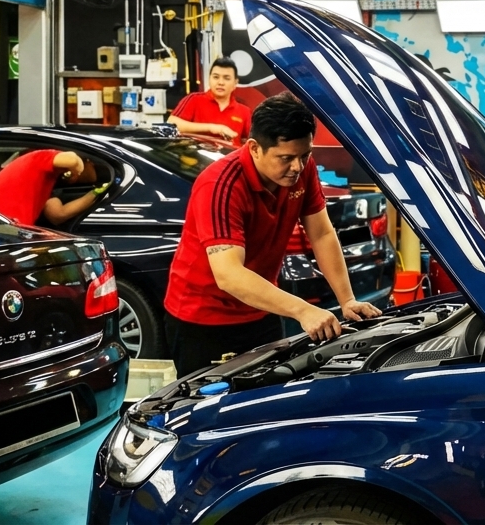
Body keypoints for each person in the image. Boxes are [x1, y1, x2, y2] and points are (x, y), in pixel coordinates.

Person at [162, 93, 382, 376]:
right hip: (204, 320)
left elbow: (322, 234)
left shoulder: (301, 170)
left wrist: (347, 300)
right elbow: (228, 274)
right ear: (255, 148)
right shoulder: (220, 185)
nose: (297, 167)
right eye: (286, 158)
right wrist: (303, 310)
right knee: (210, 402)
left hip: (261, 309)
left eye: (305, 155)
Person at [0, 149, 110, 227]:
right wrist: (78, 171)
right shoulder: (37, 158)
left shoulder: (43, 177)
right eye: (91, 163)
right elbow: (72, 160)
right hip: (2, 228)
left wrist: (95, 192)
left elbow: (56, 214)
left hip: (0, 226)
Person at [169, 56, 252, 144]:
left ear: (235, 83)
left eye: (226, 78)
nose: (220, 82)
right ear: (209, 79)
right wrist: (211, 128)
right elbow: (171, 124)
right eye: (216, 77)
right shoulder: (194, 99)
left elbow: (254, 141)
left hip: (231, 153)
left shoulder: (245, 112)